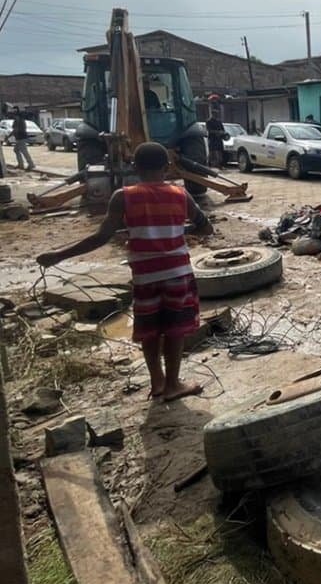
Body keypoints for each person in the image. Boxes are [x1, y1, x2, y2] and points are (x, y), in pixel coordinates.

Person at [36, 142, 213, 401]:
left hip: (144, 277)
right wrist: (181, 232)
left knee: (150, 330)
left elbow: (100, 238)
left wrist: (57, 256)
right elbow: (206, 228)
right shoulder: (180, 194)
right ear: (166, 167)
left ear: (135, 167)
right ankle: (174, 383)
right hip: (178, 274)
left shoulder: (123, 196)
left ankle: (158, 383)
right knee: (175, 330)